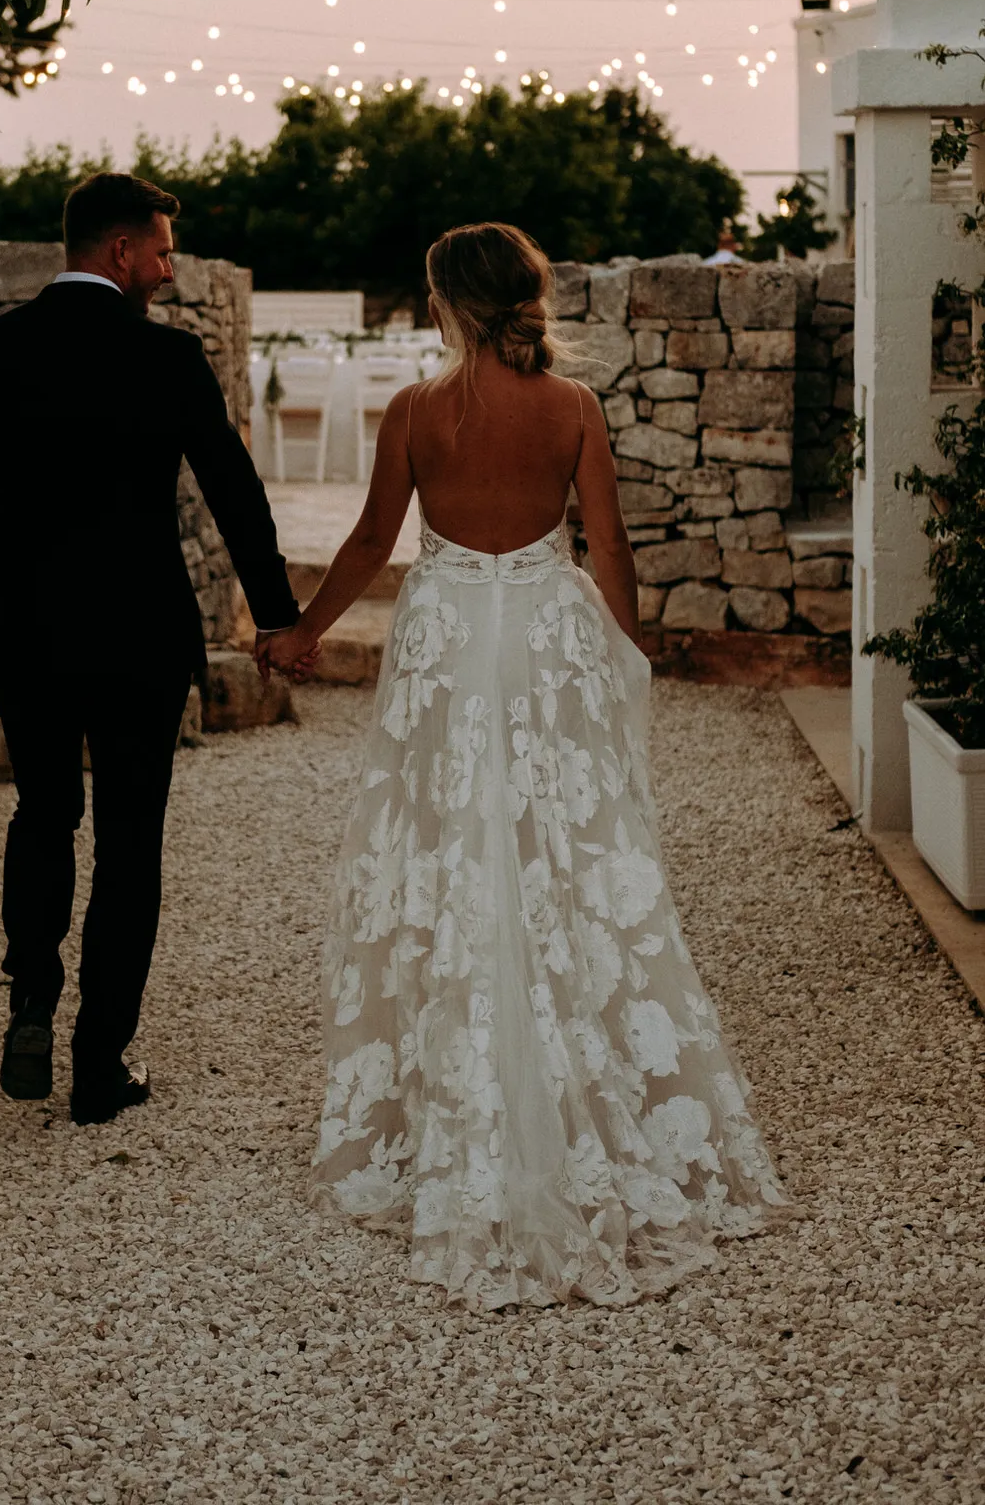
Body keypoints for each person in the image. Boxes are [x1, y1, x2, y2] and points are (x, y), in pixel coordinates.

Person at [261, 223, 786, 1308]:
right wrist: (626, 654)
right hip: (547, 639)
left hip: (450, 638)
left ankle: (464, 1091)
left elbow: (369, 540)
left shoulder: (417, 411)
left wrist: (303, 632)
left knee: (454, 840)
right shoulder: (574, 410)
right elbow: (610, 545)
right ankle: (580, 1085)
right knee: (561, 849)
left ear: (448, 302)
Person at [0, 172, 299, 1124]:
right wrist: (278, 616)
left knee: (44, 814)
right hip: (140, 631)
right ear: (120, 251)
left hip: (30, 627)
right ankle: (98, 1065)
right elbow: (234, 492)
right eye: (161, 252)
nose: (168, 271)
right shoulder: (165, 360)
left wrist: (28, 550)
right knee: (132, 841)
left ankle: (33, 995)